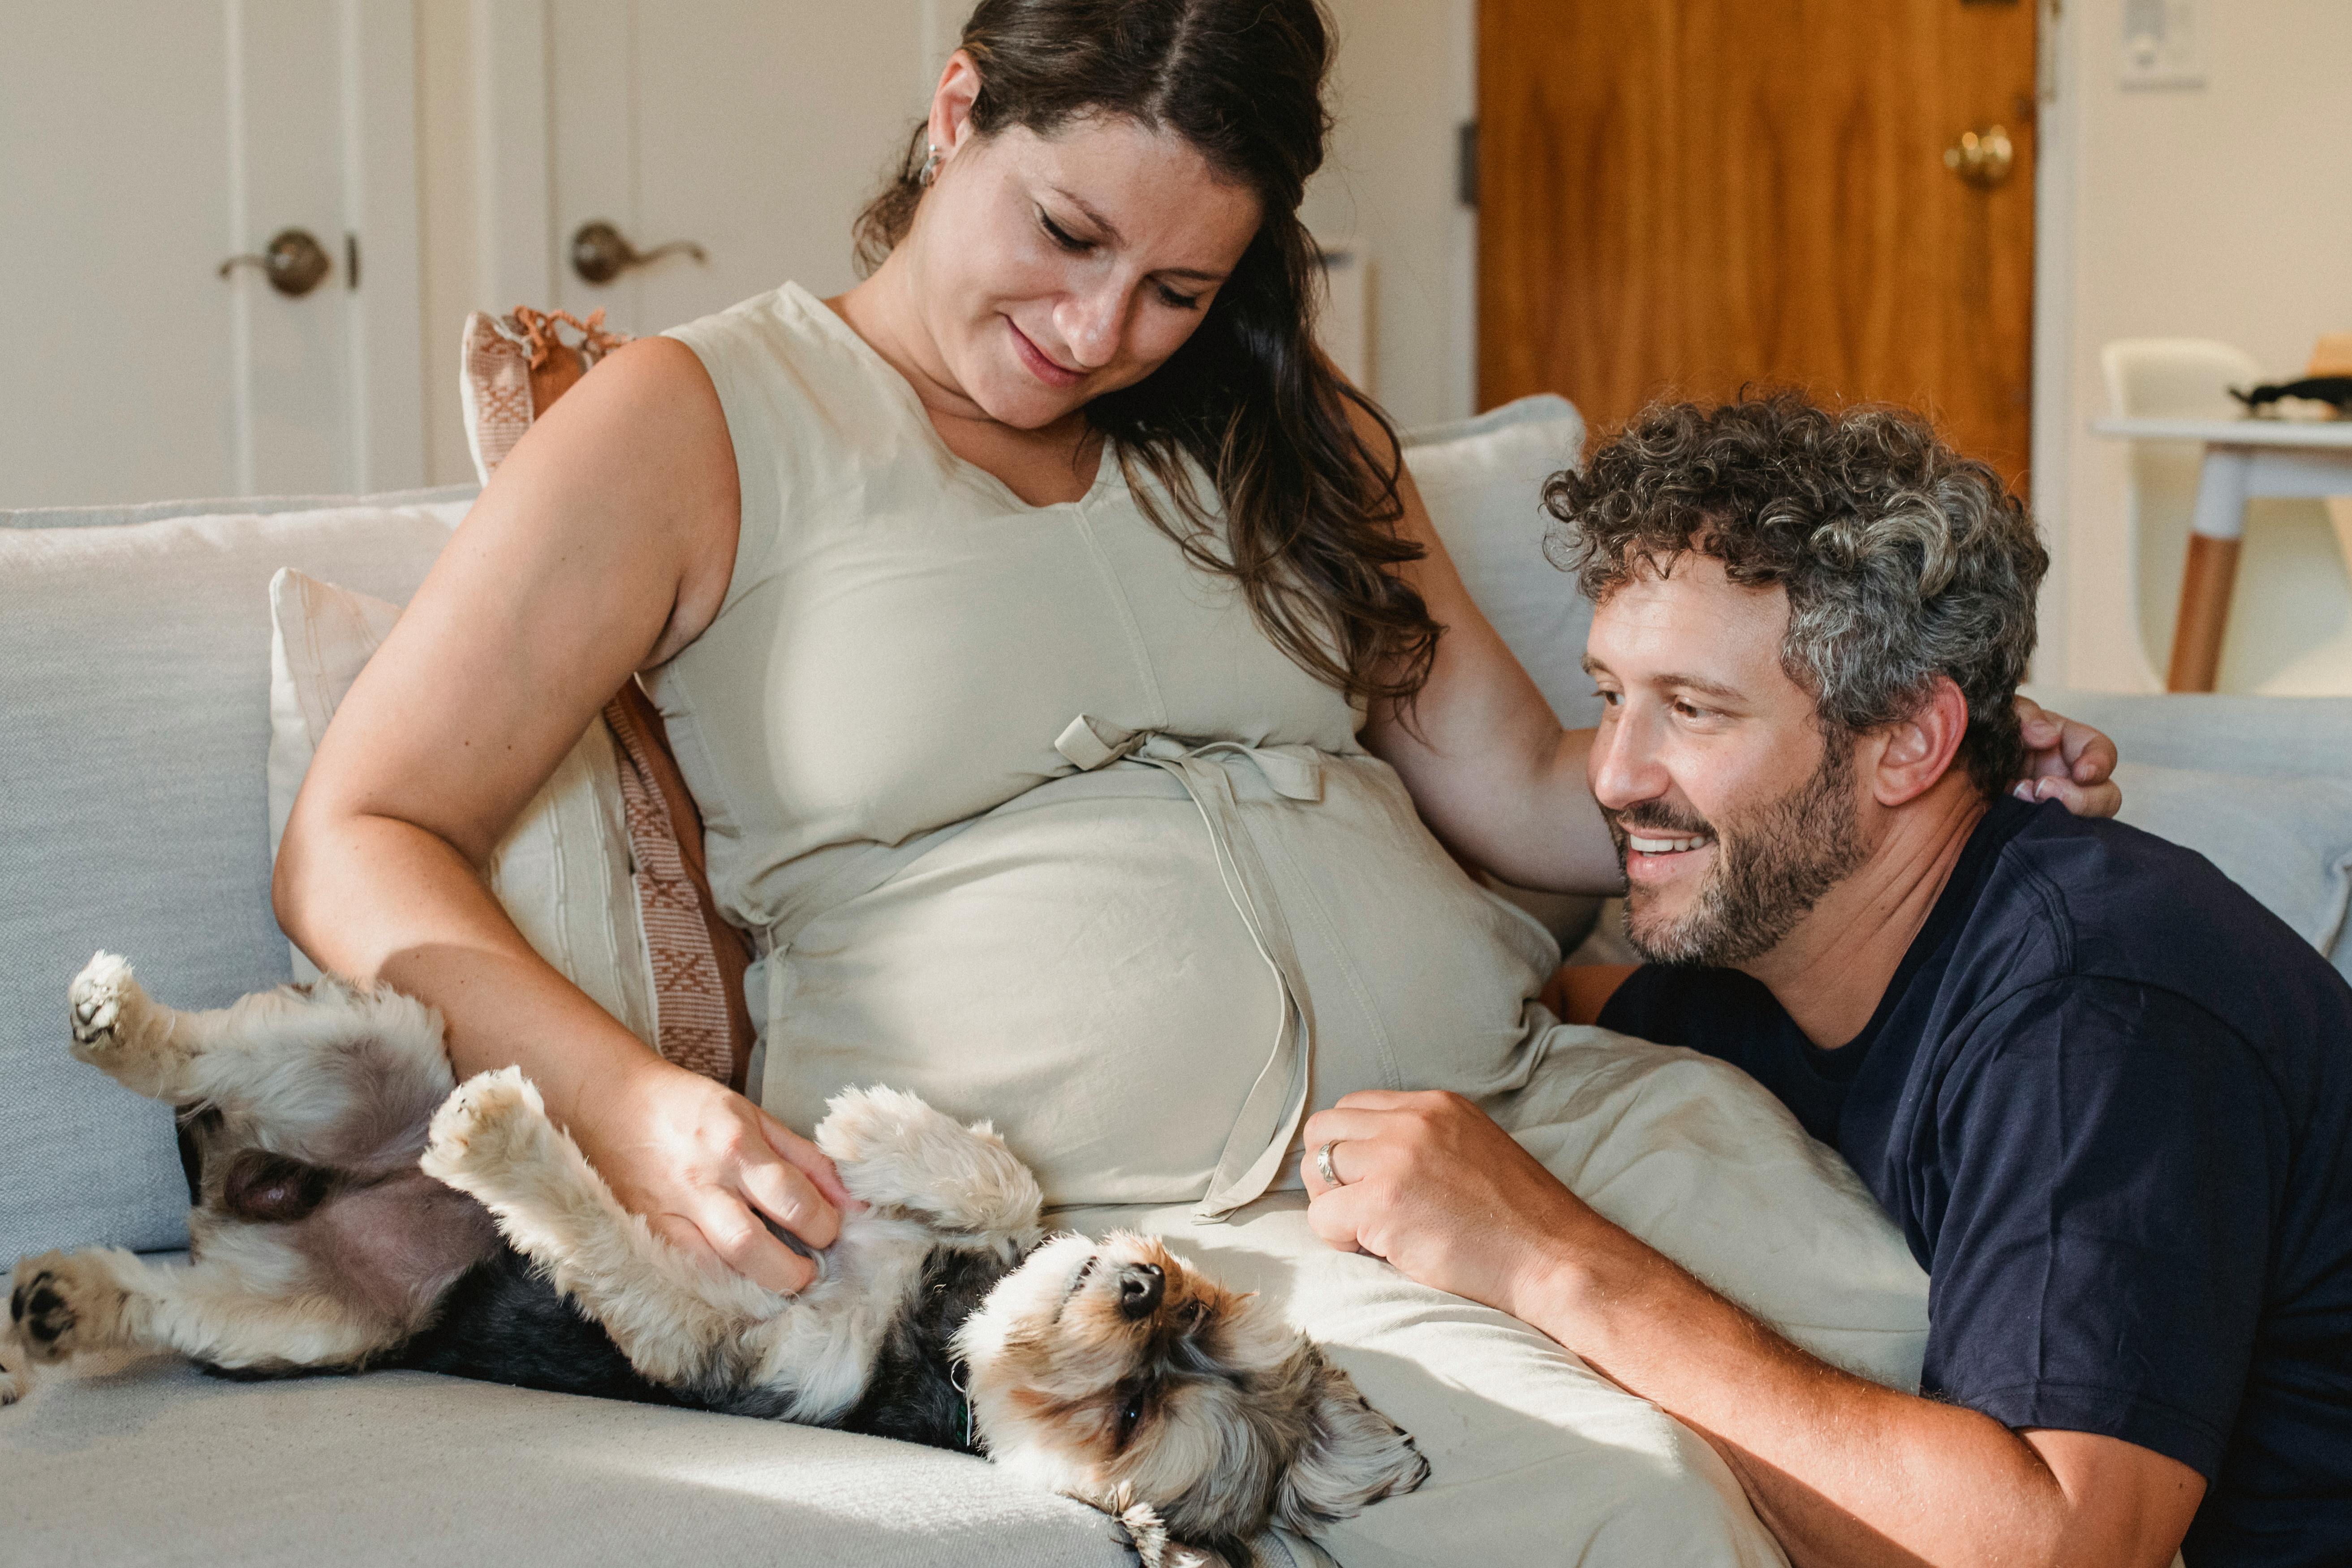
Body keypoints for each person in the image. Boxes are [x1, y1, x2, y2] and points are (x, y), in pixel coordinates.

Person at [275, 2, 2118, 1558]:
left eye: (1173, 283)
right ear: (954, 112)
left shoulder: (1271, 416)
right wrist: (631, 1104)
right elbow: (361, 833)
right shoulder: (696, 419)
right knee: (1626, 1512)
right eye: (1063, 235)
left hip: (1505, 1099)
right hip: (1158, 1225)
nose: (1095, 333)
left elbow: (1527, 785)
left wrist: (1881, 760)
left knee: (1926, 1360)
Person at [1299, 395, 2352, 1567]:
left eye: (1691, 710)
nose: (1610, 772)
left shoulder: (2092, 1011)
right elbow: (1527, 1025)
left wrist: (1544, 1254)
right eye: (1607, 696)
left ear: (1907, 741)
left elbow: (2064, 1546)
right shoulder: (1768, 939)